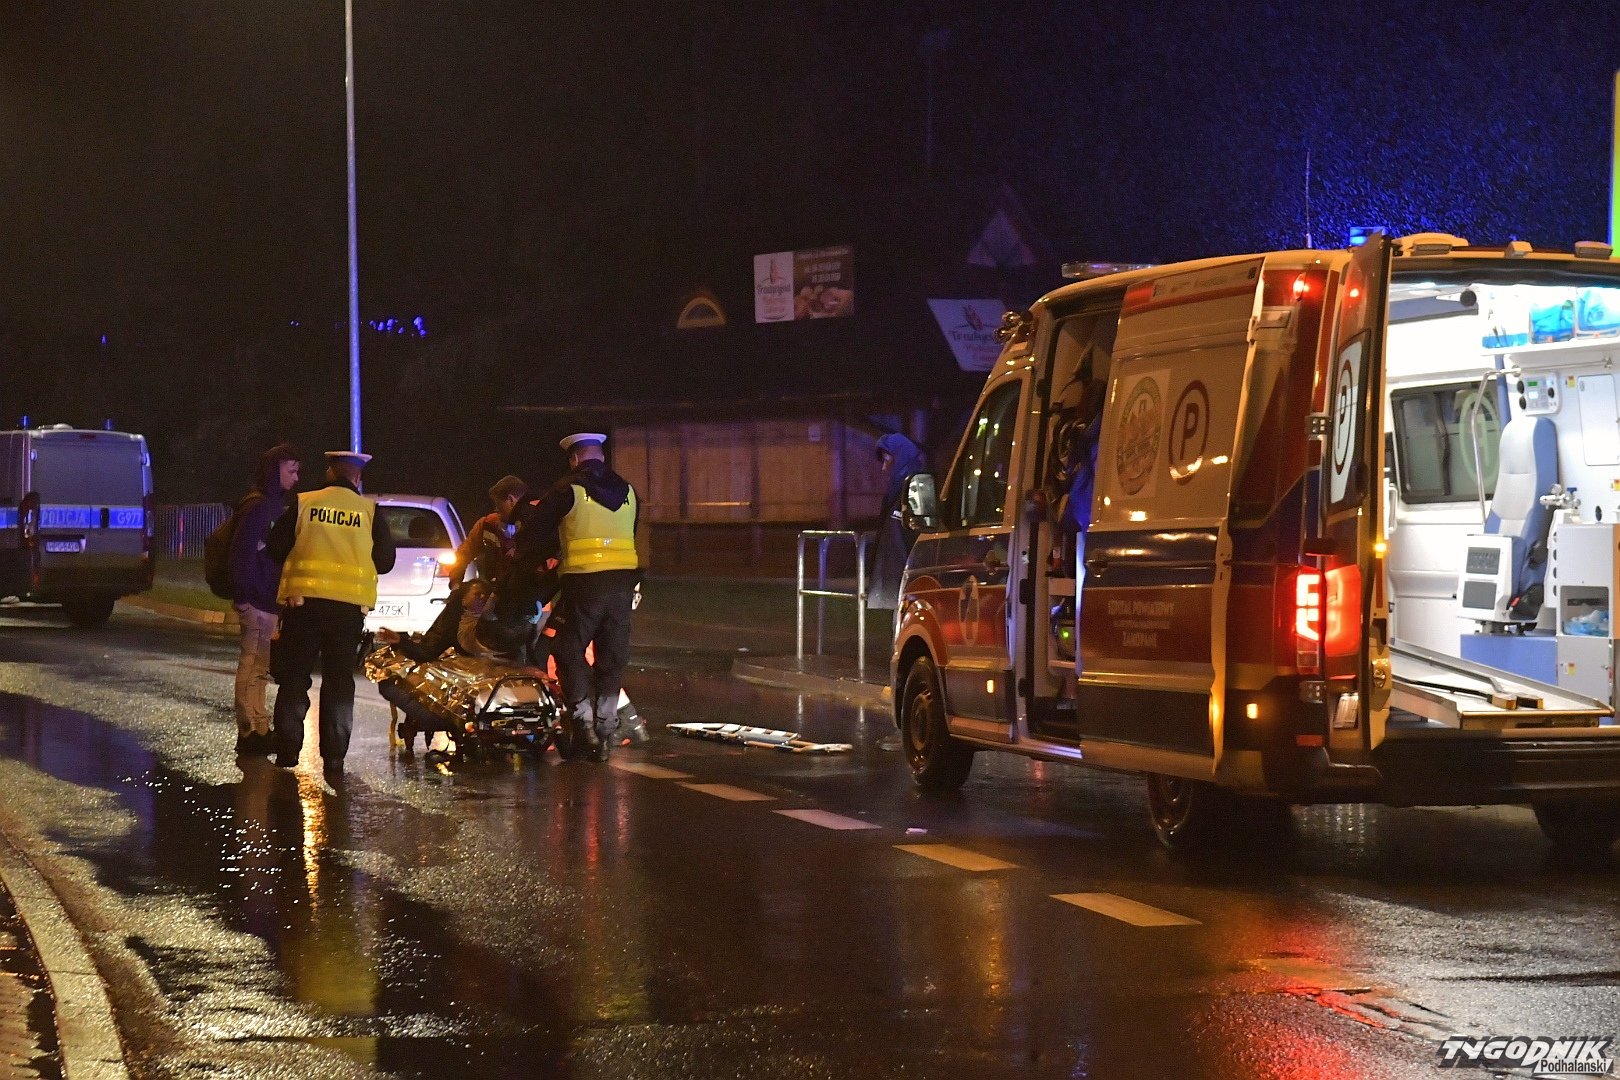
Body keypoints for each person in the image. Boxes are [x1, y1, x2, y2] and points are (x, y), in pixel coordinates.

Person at [266, 450, 396, 777]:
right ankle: (334, 758)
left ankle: (287, 751)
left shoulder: (304, 503)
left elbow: (275, 547)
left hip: (303, 607)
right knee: (339, 683)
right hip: (347, 612)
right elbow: (385, 562)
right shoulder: (369, 511)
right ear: (358, 477)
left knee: (295, 678)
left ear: (330, 473)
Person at [513, 432, 639, 762]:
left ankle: (583, 726)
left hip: (584, 584)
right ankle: (606, 730)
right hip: (623, 587)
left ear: (574, 459)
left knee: (568, 650)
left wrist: (531, 560)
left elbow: (534, 533)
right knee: (611, 657)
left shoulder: (568, 490)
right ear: (602, 457)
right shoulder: (629, 492)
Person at [228, 443, 300, 757]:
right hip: (256, 601)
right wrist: (243, 597)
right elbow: (241, 554)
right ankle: (249, 731)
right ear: (275, 470)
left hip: (267, 601)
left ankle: (259, 727)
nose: (296, 478)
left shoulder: (272, 506)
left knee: (260, 668)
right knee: (252, 665)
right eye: (291, 470)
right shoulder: (258, 507)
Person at [868, 432, 927, 610]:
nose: (884, 468)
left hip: (907, 580)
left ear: (901, 458)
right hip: (896, 580)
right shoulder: (896, 491)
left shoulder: (916, 490)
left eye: (888, 460)